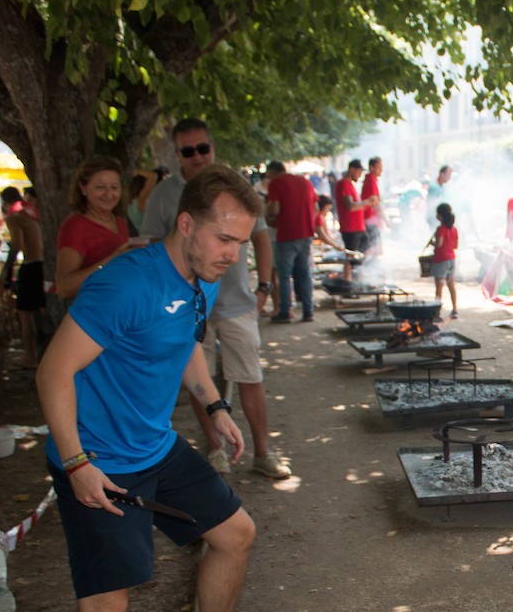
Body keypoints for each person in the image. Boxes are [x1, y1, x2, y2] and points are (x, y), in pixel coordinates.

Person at [36, 164, 263, 612]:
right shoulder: (124, 284)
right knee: (105, 610)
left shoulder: (198, 279)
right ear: (186, 224)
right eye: (224, 239)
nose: (232, 255)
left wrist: (215, 403)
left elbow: (185, 346)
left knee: (237, 534)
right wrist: (76, 463)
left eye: (241, 244)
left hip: (155, 446)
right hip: (100, 461)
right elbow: (53, 372)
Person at [141, 117, 287, 479]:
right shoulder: (164, 195)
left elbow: (261, 238)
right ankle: (217, 449)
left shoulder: (235, 187)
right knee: (197, 379)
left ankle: (262, 453)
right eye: (187, 151)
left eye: (202, 148)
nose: (196, 156)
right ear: (177, 154)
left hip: (237, 303)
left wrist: (264, 287)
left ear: (212, 147)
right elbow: (150, 247)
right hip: (187, 308)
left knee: (250, 377)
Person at [55, 156, 133, 303]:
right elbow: (64, 288)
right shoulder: (75, 226)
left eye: (114, 187)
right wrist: (111, 261)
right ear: (83, 188)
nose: (108, 194)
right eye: (100, 187)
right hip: (93, 314)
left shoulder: (120, 223)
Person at [265, 160, 318, 324]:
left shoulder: (276, 183)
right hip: (306, 233)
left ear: (272, 172)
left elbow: (274, 209)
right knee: (304, 273)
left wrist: (265, 211)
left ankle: (285, 311)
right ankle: (308, 310)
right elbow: (316, 209)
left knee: (284, 275)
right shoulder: (305, 182)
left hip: (287, 234)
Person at [0, 186, 44, 368]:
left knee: (24, 315)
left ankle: (30, 357)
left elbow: (17, 244)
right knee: (39, 312)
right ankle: (37, 354)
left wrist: (7, 269)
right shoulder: (30, 212)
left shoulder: (14, 216)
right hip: (41, 265)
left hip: (30, 265)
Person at [334, 159, 373, 281]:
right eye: (359, 172)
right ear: (352, 170)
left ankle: (358, 279)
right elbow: (350, 206)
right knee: (350, 257)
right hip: (350, 227)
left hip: (357, 226)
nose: (360, 175)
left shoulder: (349, 184)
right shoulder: (344, 184)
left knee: (365, 251)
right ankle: (348, 281)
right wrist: (367, 202)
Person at [431, 202, 459, 318]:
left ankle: (437, 312)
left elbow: (439, 244)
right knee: (451, 285)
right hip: (451, 258)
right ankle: (455, 309)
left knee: (439, 286)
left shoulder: (440, 229)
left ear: (440, 216)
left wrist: (433, 243)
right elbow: (455, 246)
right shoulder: (454, 229)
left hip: (441, 259)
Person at [360, 156, 385, 256]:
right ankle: (366, 269)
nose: (381, 170)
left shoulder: (369, 179)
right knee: (374, 249)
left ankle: (368, 268)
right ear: (371, 167)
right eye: (379, 167)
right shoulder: (371, 180)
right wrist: (386, 220)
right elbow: (375, 203)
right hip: (370, 220)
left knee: (373, 248)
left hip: (370, 219)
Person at [426, 164, 453, 230]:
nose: (449, 178)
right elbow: (433, 204)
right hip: (435, 217)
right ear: (441, 174)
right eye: (448, 175)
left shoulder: (443, 186)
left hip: (441, 217)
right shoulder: (434, 187)